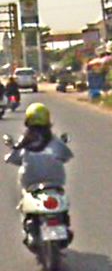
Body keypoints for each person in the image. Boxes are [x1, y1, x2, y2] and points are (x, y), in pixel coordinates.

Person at [5, 103, 74, 248]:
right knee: (61, 200)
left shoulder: (25, 140)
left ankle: (27, 225)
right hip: (55, 181)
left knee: (23, 199)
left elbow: (14, 157)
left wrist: (10, 157)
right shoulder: (54, 140)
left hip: (30, 180)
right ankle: (63, 221)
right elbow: (66, 155)